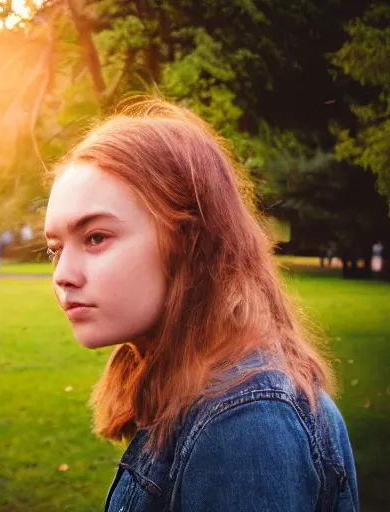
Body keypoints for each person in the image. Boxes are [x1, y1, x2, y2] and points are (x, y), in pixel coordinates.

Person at [44, 98, 359, 511]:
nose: (63, 274)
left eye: (96, 238)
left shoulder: (246, 423)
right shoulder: (188, 386)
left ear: (189, 241)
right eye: (54, 249)